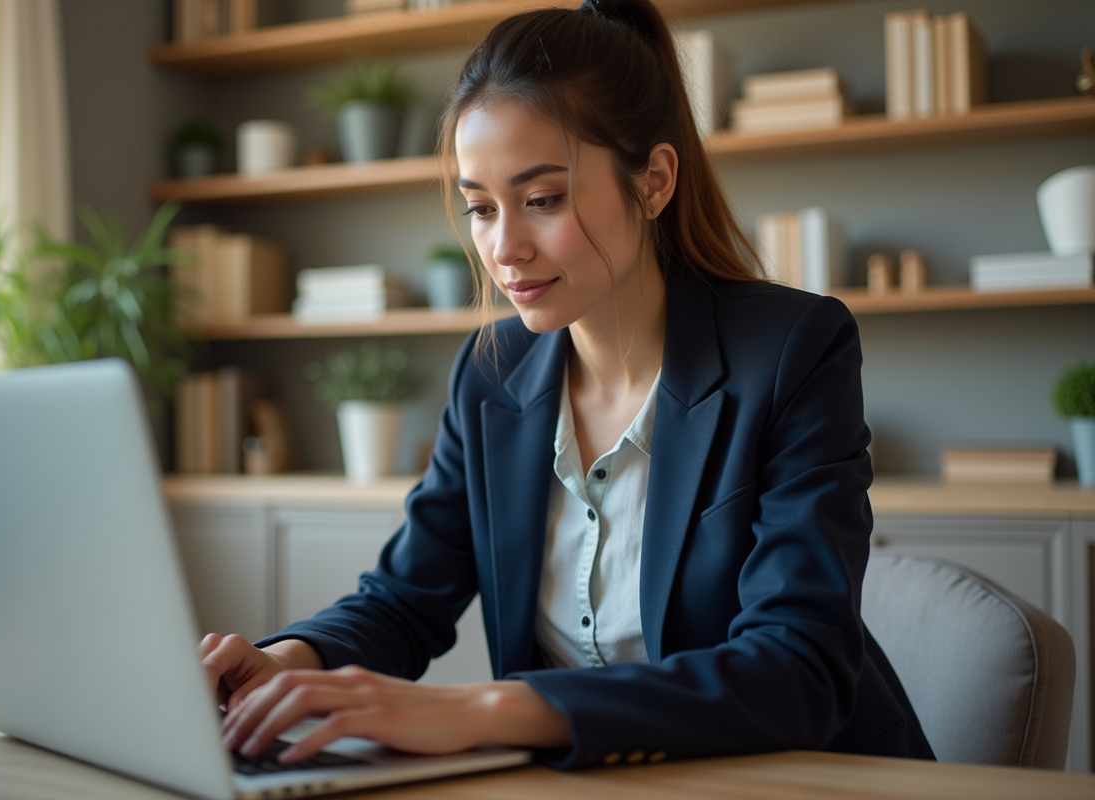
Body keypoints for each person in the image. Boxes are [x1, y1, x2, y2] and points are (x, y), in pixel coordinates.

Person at [202, 0, 935, 768]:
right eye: (480, 208)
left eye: (542, 199)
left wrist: (489, 707)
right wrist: (287, 660)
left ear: (652, 182)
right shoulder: (492, 375)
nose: (504, 247)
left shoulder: (792, 350)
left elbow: (798, 671)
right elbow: (404, 599)